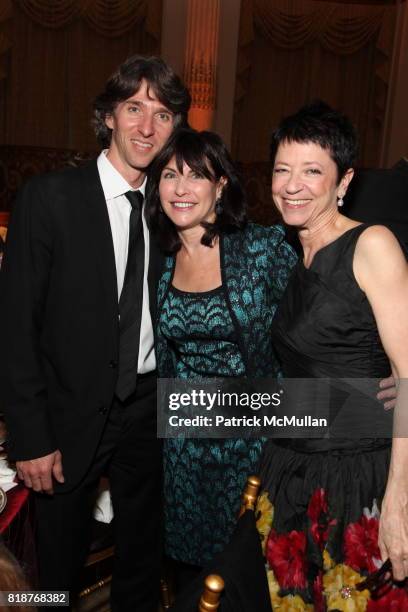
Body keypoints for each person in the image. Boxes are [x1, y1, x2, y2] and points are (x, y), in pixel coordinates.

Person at [0, 55, 190, 611]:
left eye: (162, 114)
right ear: (108, 114)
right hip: (65, 418)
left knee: (142, 559)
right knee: (56, 568)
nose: (147, 128)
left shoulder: (174, 206)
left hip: (149, 411)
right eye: (134, 108)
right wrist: (31, 436)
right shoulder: (49, 199)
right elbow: (15, 329)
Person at [256, 101, 408, 609]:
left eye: (311, 171)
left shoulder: (372, 244)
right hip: (293, 466)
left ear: (344, 180)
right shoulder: (292, 249)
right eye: (281, 170)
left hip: (356, 474)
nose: (291, 185)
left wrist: (398, 500)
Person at [145, 128, 298, 586]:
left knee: (250, 568)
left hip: (253, 442)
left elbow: (312, 329)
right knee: (195, 575)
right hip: (184, 448)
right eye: (170, 175)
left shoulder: (263, 249)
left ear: (221, 185)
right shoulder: (160, 257)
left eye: (196, 176)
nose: (180, 188)